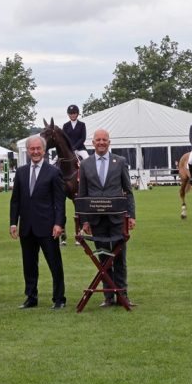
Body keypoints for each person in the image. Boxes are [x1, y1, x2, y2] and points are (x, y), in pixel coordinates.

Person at [79, 129, 136, 307]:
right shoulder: (85, 164)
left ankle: (122, 295)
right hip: (96, 219)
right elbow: (83, 194)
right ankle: (108, 296)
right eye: (98, 140)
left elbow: (128, 191)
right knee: (103, 257)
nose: (101, 142)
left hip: (118, 218)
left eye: (104, 140)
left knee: (120, 258)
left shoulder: (120, 162)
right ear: (93, 143)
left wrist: (131, 216)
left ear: (109, 142)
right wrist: (84, 220)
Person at [10, 136, 67, 310]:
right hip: (26, 227)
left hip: (48, 227)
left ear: (44, 150)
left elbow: (59, 201)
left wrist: (59, 224)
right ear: (28, 151)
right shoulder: (21, 172)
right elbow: (15, 201)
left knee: (54, 264)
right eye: (32, 149)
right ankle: (31, 297)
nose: (35, 152)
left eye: (38, 149)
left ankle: (59, 299)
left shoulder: (53, 172)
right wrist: (13, 223)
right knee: (29, 265)